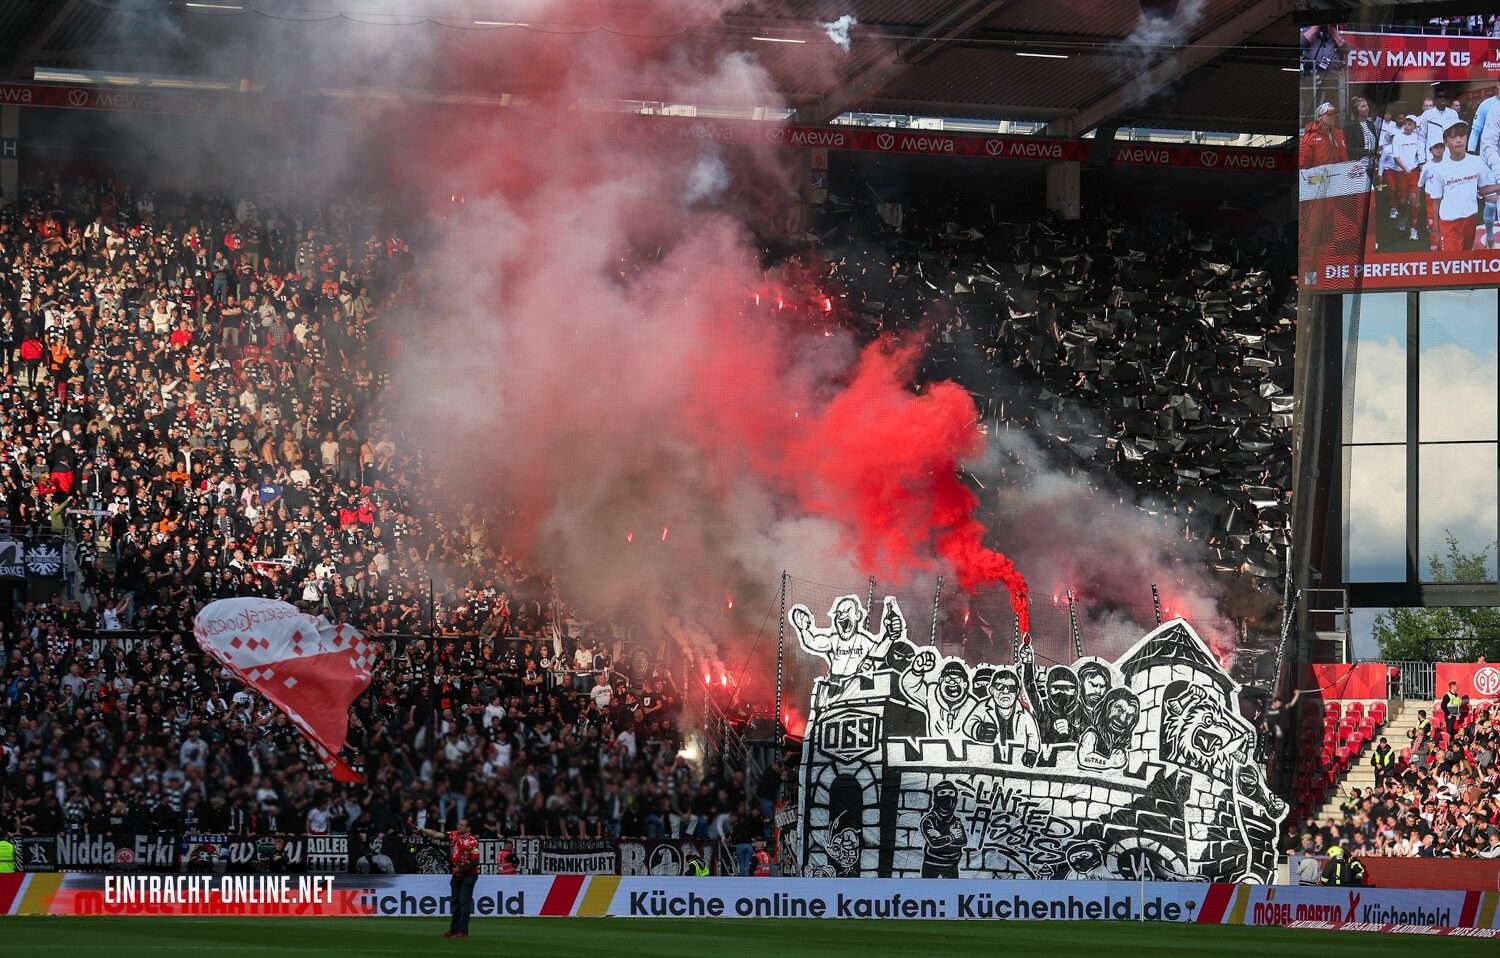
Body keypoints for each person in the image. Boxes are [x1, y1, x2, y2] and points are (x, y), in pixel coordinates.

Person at [1428, 122, 1500, 252]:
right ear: (1445, 142)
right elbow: (1436, 201)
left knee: (1466, 259)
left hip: (1470, 220)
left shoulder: (1477, 162)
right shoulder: (1439, 169)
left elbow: (1483, 190)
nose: (1459, 140)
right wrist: (1436, 232)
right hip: (1449, 223)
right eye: (1453, 137)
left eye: (1462, 136)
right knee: (1452, 264)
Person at [415, 818, 480, 939]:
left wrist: (460, 870)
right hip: (457, 874)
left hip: (468, 875)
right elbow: (436, 835)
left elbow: (475, 861)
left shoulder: (472, 841)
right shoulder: (454, 835)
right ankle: (454, 930)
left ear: (468, 828)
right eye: (458, 824)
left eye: (462, 825)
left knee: (464, 902)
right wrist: (422, 829)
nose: (459, 826)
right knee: (455, 903)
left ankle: (463, 931)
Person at [1386, 114, 1424, 240]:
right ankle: (1403, 217)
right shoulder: (1397, 137)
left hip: (1414, 173)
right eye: (1406, 123)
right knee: (1402, 201)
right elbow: (1396, 157)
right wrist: (1405, 168)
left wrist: (1420, 165)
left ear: (1414, 126)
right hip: (1402, 174)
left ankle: (1414, 227)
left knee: (1413, 199)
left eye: (1410, 124)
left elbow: (1420, 152)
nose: (1407, 126)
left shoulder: (1417, 136)